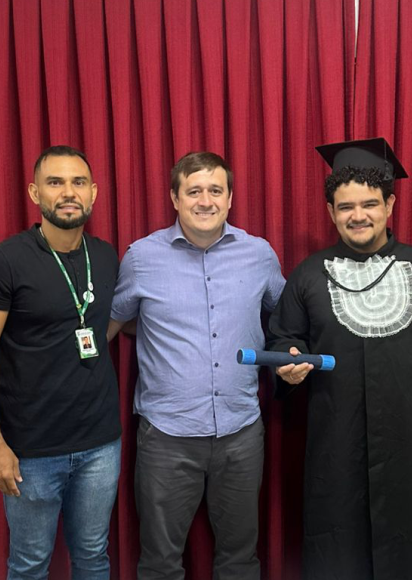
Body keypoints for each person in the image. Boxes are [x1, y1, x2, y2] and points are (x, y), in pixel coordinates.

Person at [266, 138, 412, 580]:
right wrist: (287, 367)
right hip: (336, 455)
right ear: (331, 211)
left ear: (389, 204)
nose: (358, 215)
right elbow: (284, 340)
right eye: (346, 206)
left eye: (369, 204)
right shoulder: (308, 276)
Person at [108, 151, 285, 580]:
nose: (205, 201)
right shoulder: (141, 257)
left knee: (240, 561)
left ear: (230, 198)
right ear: (175, 198)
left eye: (215, 190)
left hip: (241, 433)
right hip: (166, 437)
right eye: (194, 191)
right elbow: (116, 323)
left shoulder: (260, 254)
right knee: (160, 564)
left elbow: (285, 319)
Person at [0, 145, 122, 580]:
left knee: (93, 556)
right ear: (35, 193)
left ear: (93, 193)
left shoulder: (105, 255)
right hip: (30, 451)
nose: (68, 192)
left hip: (100, 443)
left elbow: (97, 327)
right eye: (55, 182)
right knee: (30, 565)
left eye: (78, 182)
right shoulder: (2, 263)